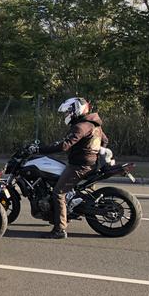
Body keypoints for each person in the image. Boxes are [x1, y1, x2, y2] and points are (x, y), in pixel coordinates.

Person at [32, 97, 108, 239]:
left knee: (58, 193)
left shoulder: (81, 126)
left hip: (80, 166)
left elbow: (65, 145)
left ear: (75, 110)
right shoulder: (94, 124)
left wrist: (39, 149)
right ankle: (65, 212)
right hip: (90, 165)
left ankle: (60, 229)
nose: (66, 115)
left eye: (67, 112)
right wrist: (96, 154)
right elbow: (105, 140)